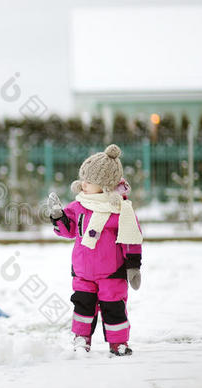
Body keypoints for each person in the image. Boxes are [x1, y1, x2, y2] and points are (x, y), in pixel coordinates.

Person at [48, 144, 143, 356]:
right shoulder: (78, 206)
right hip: (83, 272)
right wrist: (58, 217)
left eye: (89, 181)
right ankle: (82, 340)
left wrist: (133, 266)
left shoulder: (121, 210)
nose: (83, 184)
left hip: (112, 272)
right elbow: (69, 230)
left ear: (105, 185)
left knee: (114, 308)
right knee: (83, 307)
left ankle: (118, 342)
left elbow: (131, 238)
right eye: (83, 179)